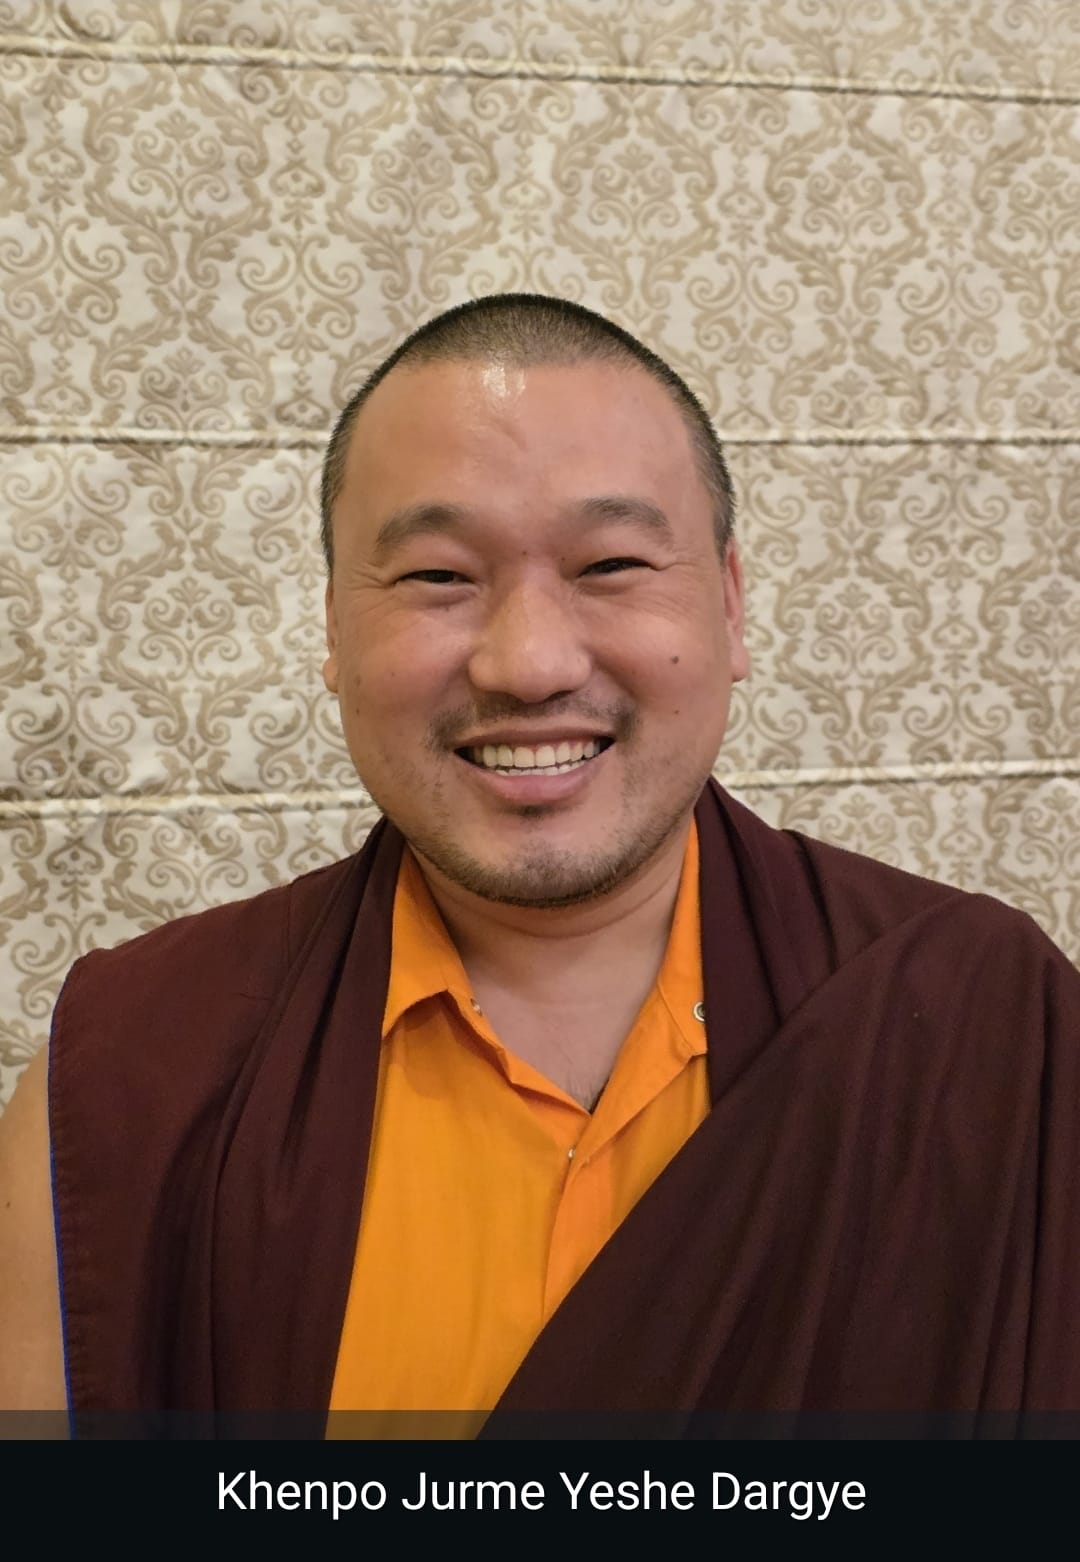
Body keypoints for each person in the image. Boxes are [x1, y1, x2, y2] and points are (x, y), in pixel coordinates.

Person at [1, 293, 1079, 1439]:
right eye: (437, 577)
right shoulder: (130, 1075)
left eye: (610, 562)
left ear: (729, 605)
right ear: (331, 629)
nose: (529, 662)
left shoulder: (985, 1035)